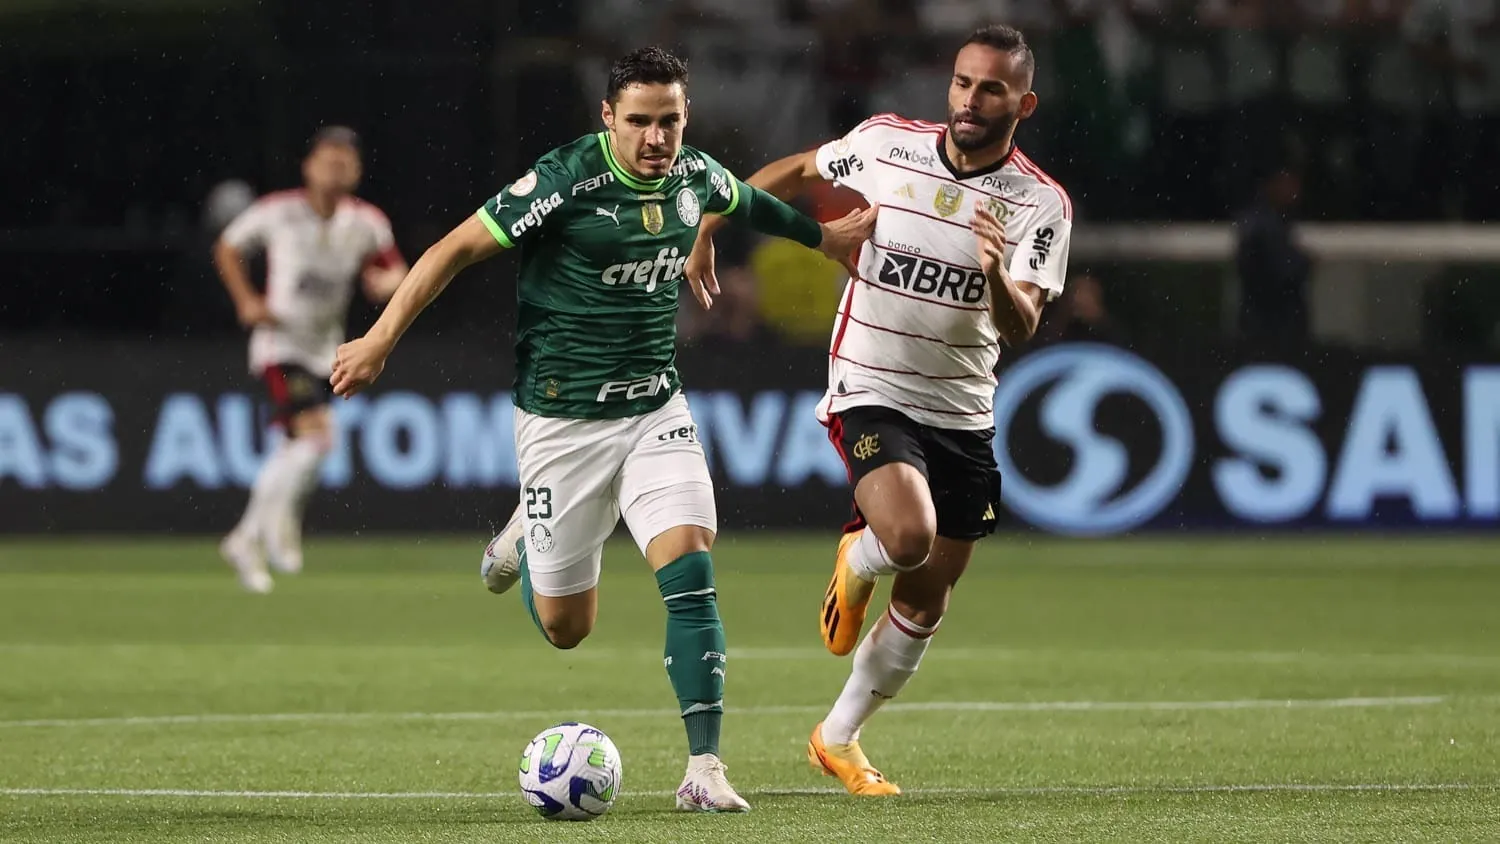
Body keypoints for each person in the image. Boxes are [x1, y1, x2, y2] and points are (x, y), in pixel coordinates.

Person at [327, 47, 875, 812]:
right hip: (563, 424)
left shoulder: (694, 175)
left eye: (672, 122)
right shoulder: (565, 182)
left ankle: (706, 768)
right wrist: (381, 338)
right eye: (642, 123)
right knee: (566, 629)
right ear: (609, 119)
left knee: (690, 570)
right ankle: (521, 535)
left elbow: (751, 205)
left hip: (655, 407)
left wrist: (827, 239)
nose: (658, 139)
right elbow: (454, 250)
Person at [689, 24, 1072, 795]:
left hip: (963, 410)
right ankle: (857, 557)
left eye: (990, 88)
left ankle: (838, 736)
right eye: (963, 82)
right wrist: (710, 229)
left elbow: (1022, 323)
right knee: (906, 536)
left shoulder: (1039, 203)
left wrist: (995, 273)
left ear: (1022, 102)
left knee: (928, 597)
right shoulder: (888, 144)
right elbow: (796, 170)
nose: (970, 100)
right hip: (871, 383)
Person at [214, 126, 407, 594]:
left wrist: (389, 283)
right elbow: (228, 247)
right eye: (328, 158)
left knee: (301, 449)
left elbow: (395, 269)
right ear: (308, 165)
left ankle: (260, 530)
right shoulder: (278, 213)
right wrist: (246, 300)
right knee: (318, 438)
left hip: (327, 350)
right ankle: (257, 534)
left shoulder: (366, 223)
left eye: (346, 160)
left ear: (358, 171)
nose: (337, 166)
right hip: (281, 345)